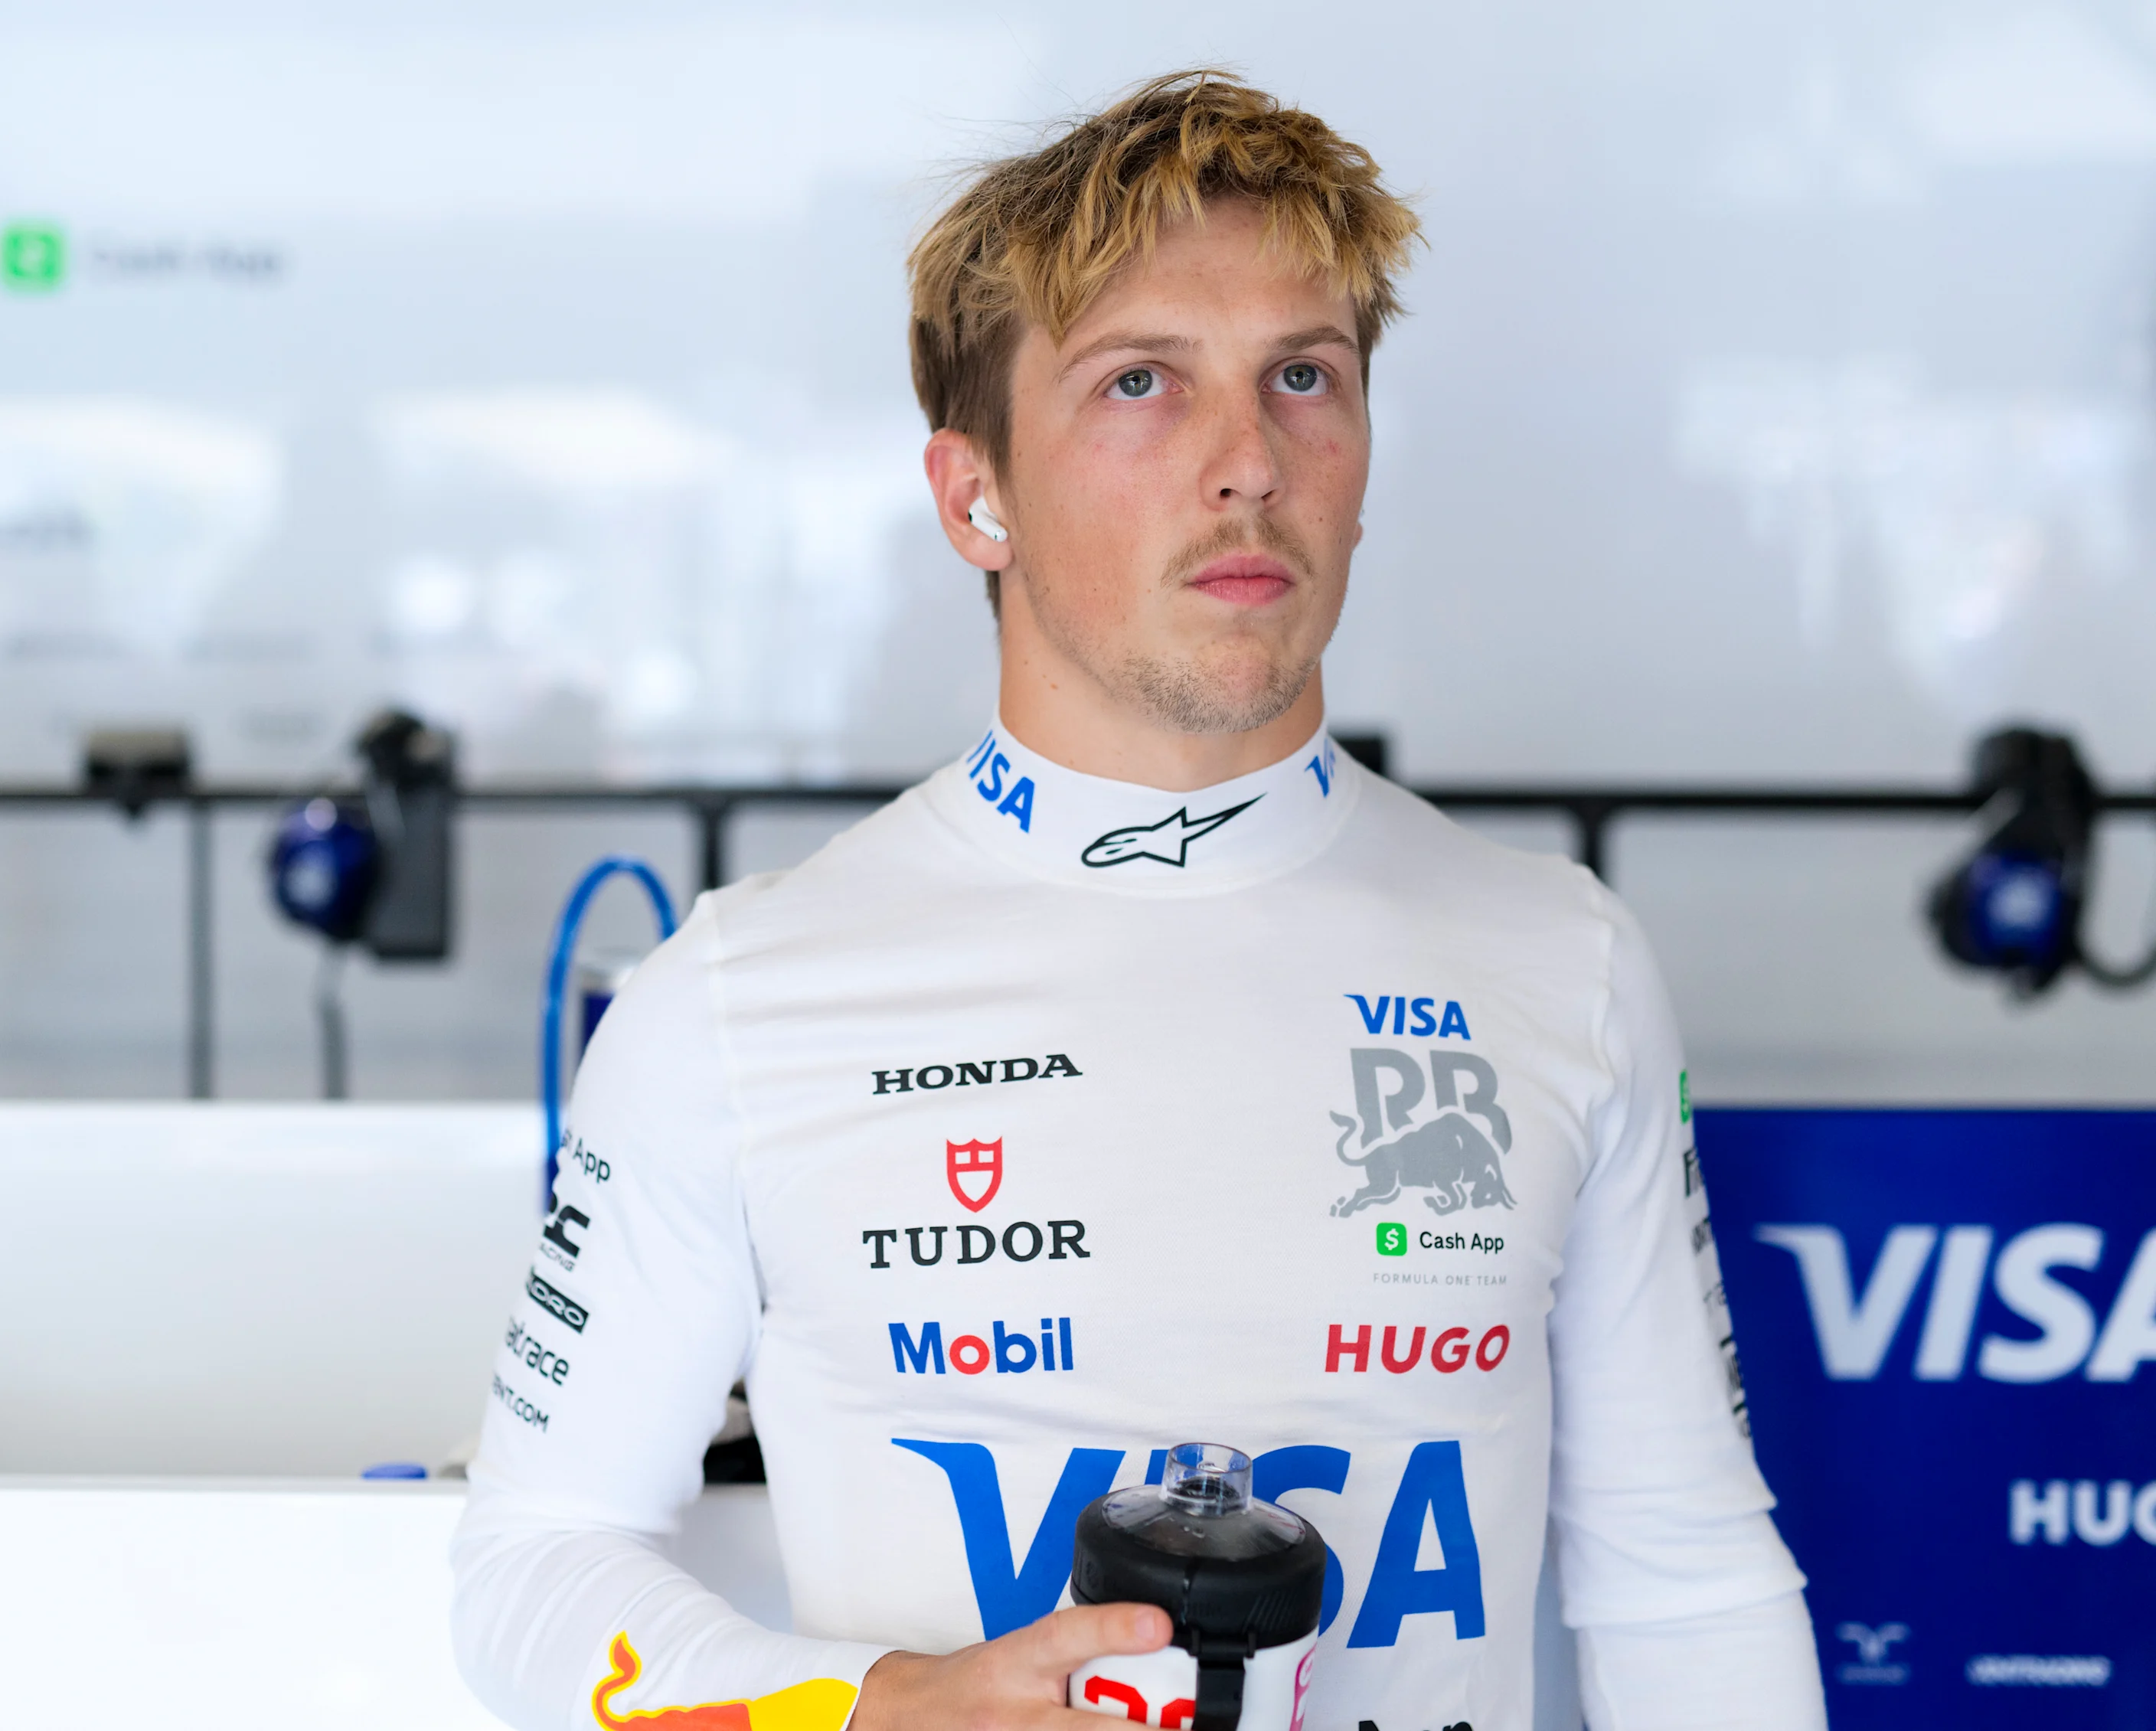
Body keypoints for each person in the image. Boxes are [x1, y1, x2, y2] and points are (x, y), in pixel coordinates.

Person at [454, 70, 1827, 1731]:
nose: (1246, 463)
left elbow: (1682, 1570)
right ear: (975, 495)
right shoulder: (736, 998)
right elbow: (534, 1566)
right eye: (1139, 385)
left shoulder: (1562, 956)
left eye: (1302, 377)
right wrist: (872, 1703)